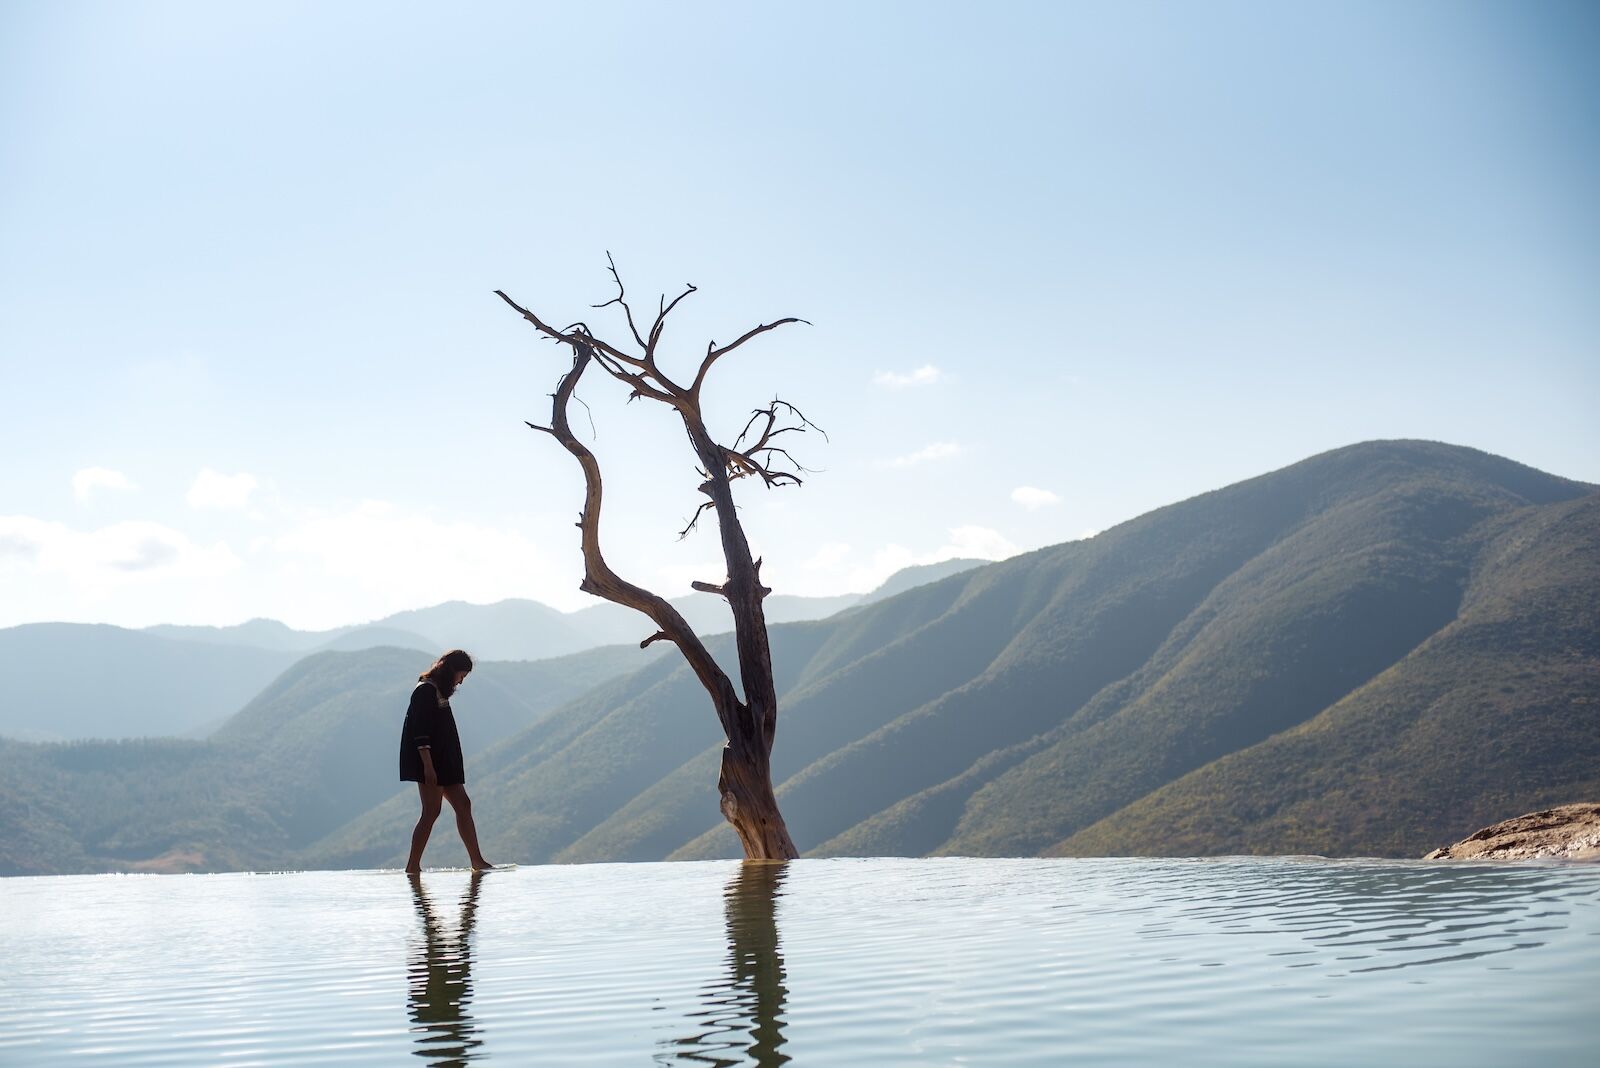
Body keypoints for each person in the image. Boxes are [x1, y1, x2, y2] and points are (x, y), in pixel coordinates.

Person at [400, 649, 492, 872]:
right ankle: (412, 866)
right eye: (461, 675)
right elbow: (420, 732)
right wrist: (428, 767)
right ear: (451, 670)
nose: (460, 681)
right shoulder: (425, 690)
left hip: (444, 762)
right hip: (431, 763)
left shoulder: (438, 691)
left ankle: (476, 860)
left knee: (463, 805)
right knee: (431, 811)